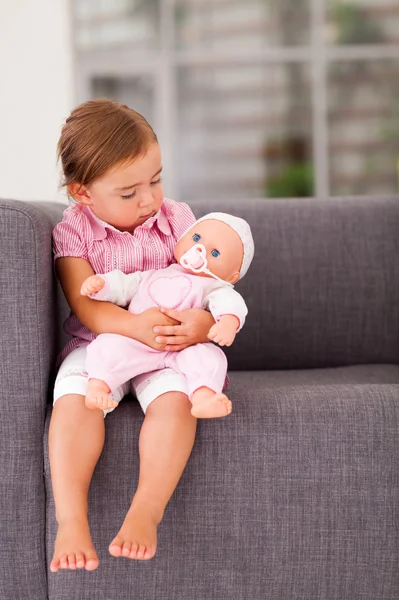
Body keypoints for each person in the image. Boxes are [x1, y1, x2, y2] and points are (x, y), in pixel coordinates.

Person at [49, 99, 216, 572]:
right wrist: (133, 326)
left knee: (176, 403)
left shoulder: (178, 220)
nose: (149, 199)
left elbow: (206, 287)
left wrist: (201, 325)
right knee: (76, 401)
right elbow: (86, 306)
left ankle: (147, 508)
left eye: (156, 179)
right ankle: (71, 519)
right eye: (129, 192)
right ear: (83, 193)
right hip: (99, 345)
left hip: (164, 350)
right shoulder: (73, 233)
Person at [80, 212, 254, 418]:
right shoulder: (157, 273)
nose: (199, 250)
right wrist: (103, 285)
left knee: (211, 357)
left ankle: (203, 397)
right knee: (108, 345)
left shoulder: (213, 286)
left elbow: (230, 303)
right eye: (196, 239)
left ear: (231, 276)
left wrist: (227, 322)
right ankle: (98, 386)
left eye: (215, 253)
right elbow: (127, 284)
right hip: (138, 341)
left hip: (183, 349)